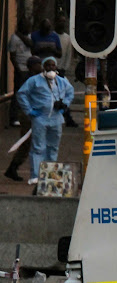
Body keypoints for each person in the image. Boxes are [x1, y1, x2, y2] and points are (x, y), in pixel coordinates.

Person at [16, 57, 75, 186]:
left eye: (53, 65)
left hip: (56, 118)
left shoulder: (61, 81)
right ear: (43, 67)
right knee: (38, 147)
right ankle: (35, 175)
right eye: (48, 65)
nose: (51, 68)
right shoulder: (34, 81)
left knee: (53, 147)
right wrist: (29, 110)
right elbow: (22, 94)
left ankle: (49, 174)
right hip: (40, 118)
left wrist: (64, 105)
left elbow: (70, 92)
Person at [4, 56, 43, 182]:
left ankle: (14, 168)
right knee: (27, 142)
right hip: (28, 114)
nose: (40, 66)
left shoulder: (38, 78)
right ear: (32, 66)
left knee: (31, 143)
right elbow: (23, 96)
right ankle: (13, 167)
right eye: (38, 64)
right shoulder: (28, 79)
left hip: (35, 113)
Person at [8, 18, 34, 127]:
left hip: (29, 68)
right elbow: (12, 56)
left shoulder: (27, 36)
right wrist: (18, 69)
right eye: (27, 26)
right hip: (21, 69)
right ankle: (14, 117)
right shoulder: (14, 38)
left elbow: (31, 44)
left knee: (29, 93)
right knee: (18, 93)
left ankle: (26, 116)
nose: (29, 28)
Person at [54, 16, 78, 128]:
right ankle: (66, 116)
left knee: (64, 93)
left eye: (64, 22)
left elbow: (69, 54)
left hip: (61, 70)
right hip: (52, 68)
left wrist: (64, 68)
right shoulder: (53, 36)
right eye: (60, 21)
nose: (62, 24)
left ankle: (66, 116)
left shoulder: (67, 38)